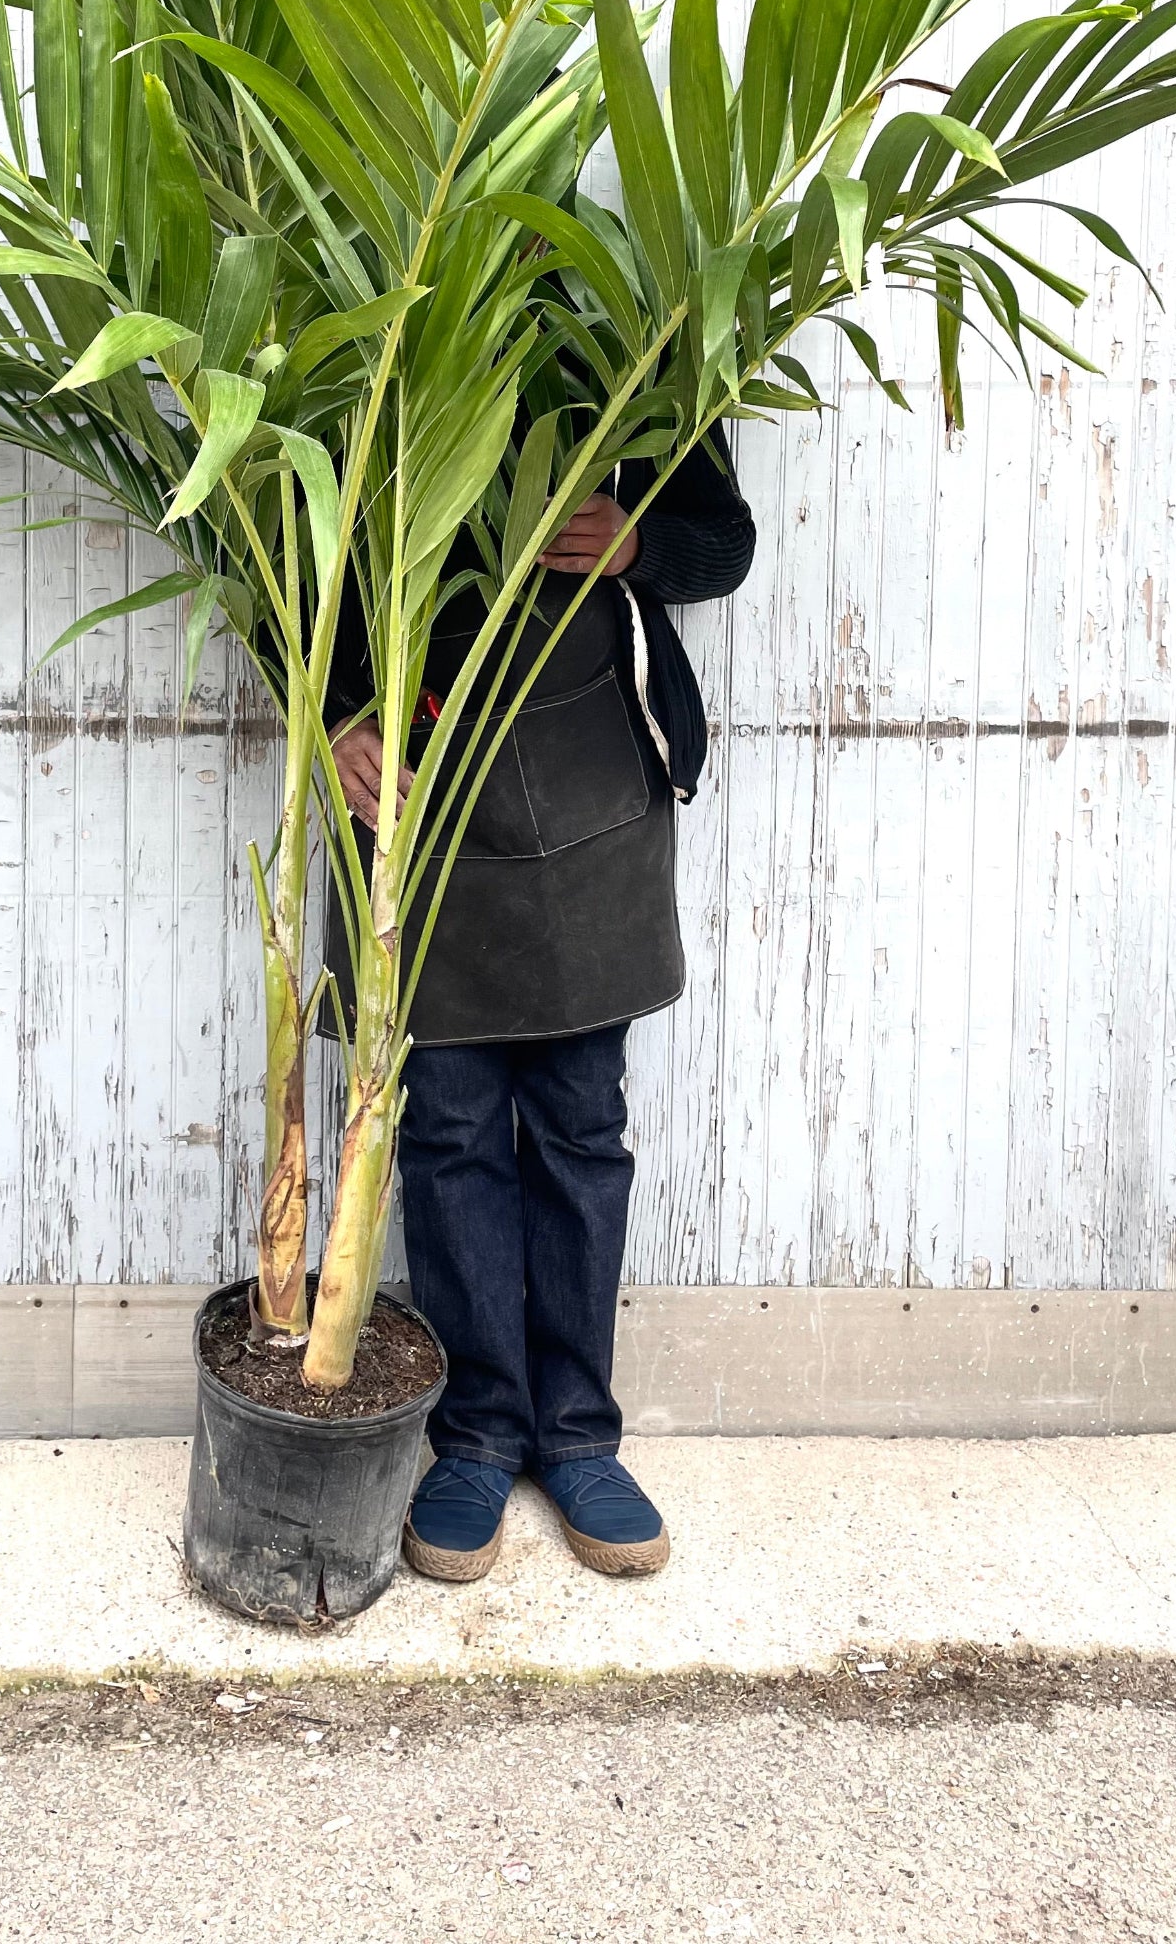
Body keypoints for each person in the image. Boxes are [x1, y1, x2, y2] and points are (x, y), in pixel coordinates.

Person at [326, 427, 756, 1582]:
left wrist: (636, 544)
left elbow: (723, 544)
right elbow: (283, 553)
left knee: (577, 1122)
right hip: (421, 784)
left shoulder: (635, 347)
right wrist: (332, 714)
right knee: (451, 1125)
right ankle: (473, 1436)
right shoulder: (373, 303)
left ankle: (577, 1439)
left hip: (592, 783)